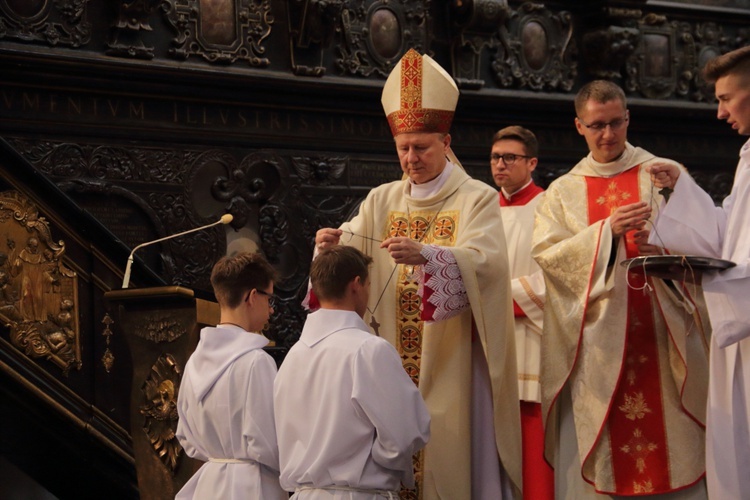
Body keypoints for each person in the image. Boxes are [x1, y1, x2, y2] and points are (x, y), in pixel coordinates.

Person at [314, 48, 522, 499]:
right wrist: (330, 246)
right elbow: (351, 251)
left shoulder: (477, 198)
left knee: (447, 460)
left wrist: (431, 256)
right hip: (388, 355)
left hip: (452, 363)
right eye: (403, 148)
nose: (411, 158)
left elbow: (488, 267)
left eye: (421, 147)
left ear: (445, 143)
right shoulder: (382, 199)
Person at [532, 80, 710, 499]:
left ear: (628, 118)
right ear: (579, 126)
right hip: (601, 348)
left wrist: (664, 247)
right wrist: (605, 235)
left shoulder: (663, 174)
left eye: (615, 123)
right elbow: (549, 259)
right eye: (597, 126)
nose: (608, 135)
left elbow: (707, 241)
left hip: (662, 342)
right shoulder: (563, 192)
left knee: (674, 442)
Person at [648, 45, 750, 500]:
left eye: (727, 98)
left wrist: (709, 280)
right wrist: (682, 187)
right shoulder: (749, 156)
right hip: (740, 328)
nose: (719, 112)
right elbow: (729, 232)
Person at [274, 245, 431, 498]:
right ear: (356, 285)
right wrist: (372, 460)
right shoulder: (368, 350)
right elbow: (406, 434)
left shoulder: (293, 356)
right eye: (369, 285)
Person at [175, 252, 287, 500]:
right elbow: (272, 443)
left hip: (209, 484)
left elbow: (185, 435)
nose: (270, 310)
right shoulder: (255, 361)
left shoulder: (195, 360)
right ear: (252, 296)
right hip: (253, 486)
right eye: (270, 299)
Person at [491, 126, 552, 500]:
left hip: (530, 339)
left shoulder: (549, 207)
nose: (500, 165)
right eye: (496, 157)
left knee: (532, 447)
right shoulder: (480, 208)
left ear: (531, 162)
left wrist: (497, 301)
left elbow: (557, 276)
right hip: (489, 342)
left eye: (510, 158)